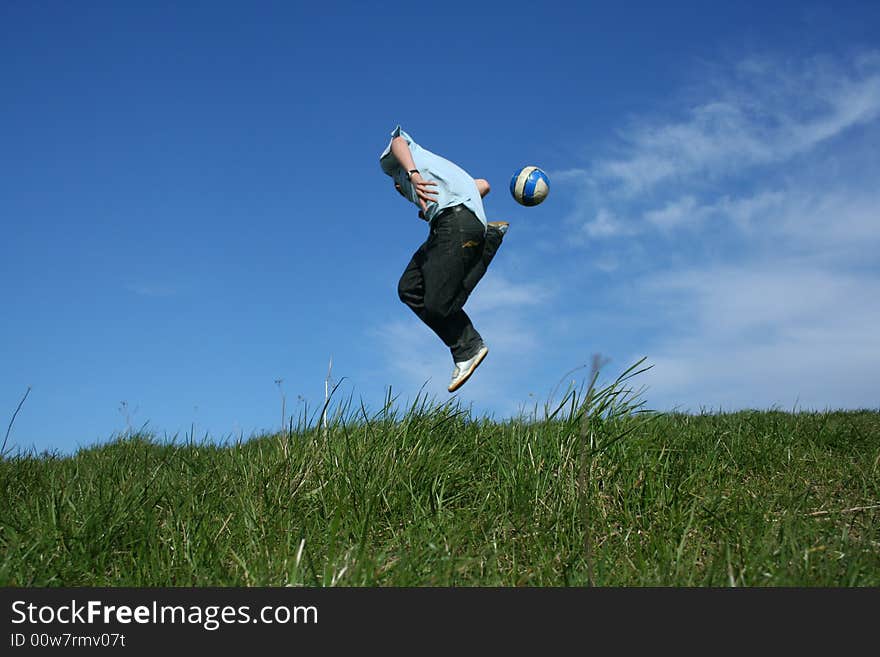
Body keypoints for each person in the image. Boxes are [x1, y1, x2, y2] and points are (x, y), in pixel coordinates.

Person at [379, 125, 509, 392]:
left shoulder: (397, 167)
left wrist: (412, 175)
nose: (402, 192)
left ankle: (467, 346)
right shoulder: (438, 181)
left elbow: (398, 142)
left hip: (454, 222)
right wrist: (432, 207)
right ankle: (465, 345)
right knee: (409, 288)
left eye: (400, 189)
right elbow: (482, 185)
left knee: (437, 303)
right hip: (447, 224)